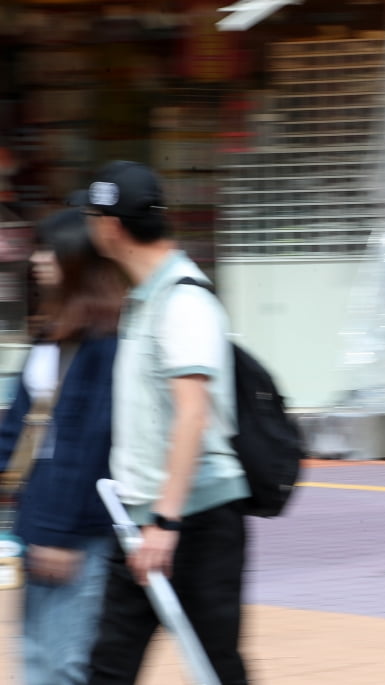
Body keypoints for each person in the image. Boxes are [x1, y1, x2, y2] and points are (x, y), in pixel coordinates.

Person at [81, 161, 250, 684]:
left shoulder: (183, 300)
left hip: (193, 525)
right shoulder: (146, 299)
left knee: (216, 667)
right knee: (108, 669)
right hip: (142, 522)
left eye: (92, 216)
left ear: (110, 227)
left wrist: (167, 522)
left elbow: (192, 414)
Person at [0, 205, 125, 684]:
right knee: (35, 659)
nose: (37, 259)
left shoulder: (104, 344)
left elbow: (90, 445)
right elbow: (17, 432)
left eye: (48, 249)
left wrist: (63, 536)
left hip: (78, 533)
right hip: (38, 523)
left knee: (66, 664)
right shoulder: (50, 338)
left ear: (76, 260)